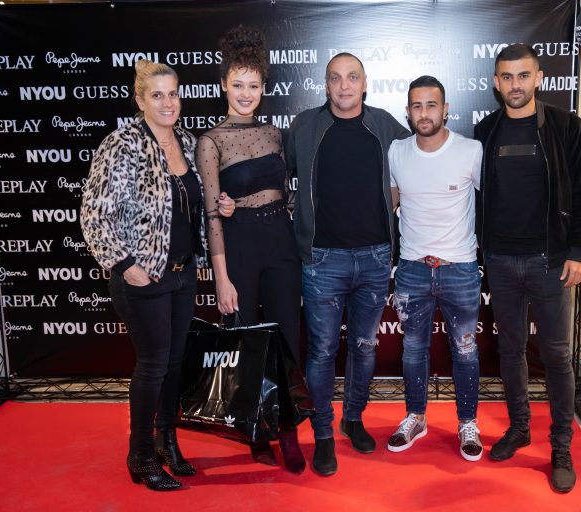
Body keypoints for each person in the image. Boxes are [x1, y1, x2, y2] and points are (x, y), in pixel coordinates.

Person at [80, 59, 235, 491]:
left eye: (173, 94)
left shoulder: (186, 141)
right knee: (152, 365)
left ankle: (167, 442)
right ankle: (141, 455)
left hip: (183, 274)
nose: (168, 103)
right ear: (140, 100)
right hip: (143, 277)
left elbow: (190, 206)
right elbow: (94, 215)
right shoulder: (122, 144)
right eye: (158, 95)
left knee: (174, 363)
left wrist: (220, 206)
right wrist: (126, 266)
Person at [473, 43, 581, 493]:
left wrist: (579, 251)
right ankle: (519, 427)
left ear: (539, 78)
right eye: (507, 77)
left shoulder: (565, 126)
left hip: (552, 262)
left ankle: (561, 446)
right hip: (500, 261)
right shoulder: (485, 130)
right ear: (496, 82)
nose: (515, 85)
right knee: (509, 352)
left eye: (523, 76)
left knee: (558, 357)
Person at [286, 52, 409, 476]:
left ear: (365, 83)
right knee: (321, 350)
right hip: (322, 259)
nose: (344, 86)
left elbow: (418, 161)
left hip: (375, 257)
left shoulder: (385, 125)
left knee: (364, 346)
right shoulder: (304, 126)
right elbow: (273, 173)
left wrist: (398, 195)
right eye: (336, 78)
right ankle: (323, 433)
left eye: (352, 77)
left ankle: (353, 419)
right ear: (326, 85)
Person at [196, 26, 306, 474]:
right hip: (239, 244)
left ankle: (289, 430)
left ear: (264, 88)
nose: (246, 93)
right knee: (246, 340)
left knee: (288, 339)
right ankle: (255, 430)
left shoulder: (275, 134)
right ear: (224, 85)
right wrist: (221, 279)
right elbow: (212, 215)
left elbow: (286, 191)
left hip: (280, 240)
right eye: (238, 84)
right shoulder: (211, 141)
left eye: (254, 85)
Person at [387, 76, 484, 461]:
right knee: (413, 349)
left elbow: (496, 202)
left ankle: (468, 422)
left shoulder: (471, 151)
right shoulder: (396, 152)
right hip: (412, 269)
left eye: (431, 105)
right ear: (407, 112)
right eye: (417, 106)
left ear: (445, 110)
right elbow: (390, 202)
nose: (424, 113)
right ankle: (416, 416)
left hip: (460, 268)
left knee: (465, 350)